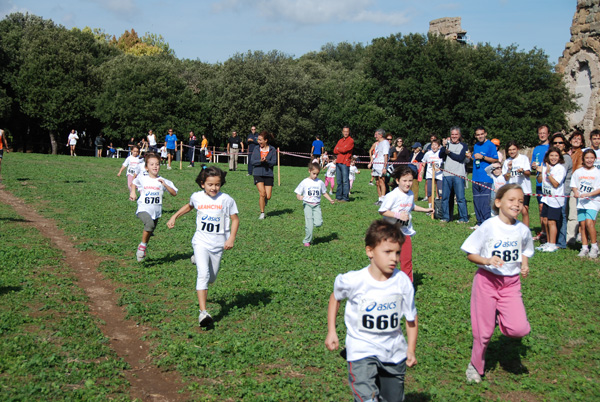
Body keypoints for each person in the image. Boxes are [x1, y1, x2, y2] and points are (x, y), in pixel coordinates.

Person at [325, 219, 418, 402]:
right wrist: (332, 331)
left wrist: (411, 349)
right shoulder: (353, 280)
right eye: (388, 252)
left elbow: (411, 319)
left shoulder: (403, 282)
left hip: (394, 351)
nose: (394, 258)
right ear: (370, 251)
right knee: (366, 396)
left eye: (397, 253)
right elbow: (335, 297)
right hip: (361, 349)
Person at [461, 184, 533, 383]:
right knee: (483, 334)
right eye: (512, 200)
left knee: (519, 329)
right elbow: (470, 252)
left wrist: (524, 265)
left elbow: (526, 249)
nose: (517, 204)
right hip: (487, 281)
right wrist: (487, 261)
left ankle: (496, 315)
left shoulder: (522, 230)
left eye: (520, 201)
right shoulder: (488, 226)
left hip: (511, 284)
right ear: (498, 202)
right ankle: (476, 366)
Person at [167, 166, 239, 327]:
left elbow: (235, 219)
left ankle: (195, 259)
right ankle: (203, 313)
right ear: (202, 184)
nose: (214, 188)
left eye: (217, 184)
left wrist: (231, 238)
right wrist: (174, 216)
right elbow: (189, 206)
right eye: (210, 184)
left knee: (212, 278)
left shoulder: (226, 200)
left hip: (218, 244)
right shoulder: (197, 197)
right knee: (203, 275)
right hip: (200, 241)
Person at [379, 166, 433, 282]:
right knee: (388, 261)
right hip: (390, 233)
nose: (408, 184)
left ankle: (407, 286)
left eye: (410, 180)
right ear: (397, 180)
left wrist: (425, 210)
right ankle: (383, 283)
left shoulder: (410, 194)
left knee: (407, 260)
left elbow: (411, 206)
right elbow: (382, 211)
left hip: (405, 232)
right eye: (404, 180)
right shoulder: (392, 195)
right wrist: (398, 216)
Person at [129, 153, 178, 262]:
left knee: (150, 230)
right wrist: (132, 192)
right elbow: (134, 183)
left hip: (156, 212)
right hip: (143, 209)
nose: (155, 166)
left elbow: (174, 193)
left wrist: (165, 185)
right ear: (146, 167)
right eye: (152, 164)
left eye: (157, 164)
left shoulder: (162, 180)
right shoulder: (143, 178)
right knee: (149, 225)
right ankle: (141, 248)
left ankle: (144, 245)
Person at [294, 162, 335, 247]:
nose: (315, 176)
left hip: (316, 205)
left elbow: (324, 193)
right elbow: (298, 193)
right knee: (309, 224)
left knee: (318, 223)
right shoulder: (305, 182)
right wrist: (300, 197)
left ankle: (313, 222)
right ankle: (307, 240)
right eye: (314, 173)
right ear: (309, 171)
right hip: (307, 205)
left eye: (317, 174)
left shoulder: (320, 182)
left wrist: (330, 200)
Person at [536, 147, 566, 253]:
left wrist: (548, 173)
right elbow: (539, 180)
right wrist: (540, 172)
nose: (553, 158)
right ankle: (548, 242)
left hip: (555, 199)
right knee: (546, 220)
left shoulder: (560, 168)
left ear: (559, 157)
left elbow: (556, 183)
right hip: (546, 198)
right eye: (551, 155)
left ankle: (553, 244)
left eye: (556, 156)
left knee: (552, 222)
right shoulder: (545, 166)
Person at [572, 149, 600, 259]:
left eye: (591, 158)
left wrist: (589, 194)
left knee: (589, 223)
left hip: (593, 202)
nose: (589, 160)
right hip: (581, 203)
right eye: (587, 158)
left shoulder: (597, 172)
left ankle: (594, 246)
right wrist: (576, 192)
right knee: (582, 225)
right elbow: (574, 185)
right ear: (583, 159)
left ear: (595, 159)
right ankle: (584, 248)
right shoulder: (578, 172)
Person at [470, 127, 499, 230]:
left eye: (481, 134)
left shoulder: (491, 145)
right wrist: (472, 157)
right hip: (475, 177)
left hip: (486, 178)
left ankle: (486, 223)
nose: (480, 136)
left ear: (485, 134)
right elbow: (475, 158)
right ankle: (479, 222)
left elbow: (495, 159)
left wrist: (482, 157)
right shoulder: (476, 145)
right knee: (477, 201)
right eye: (477, 135)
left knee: (484, 202)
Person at [441, 127, 469, 223]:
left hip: (458, 174)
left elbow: (460, 158)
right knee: (445, 197)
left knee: (460, 198)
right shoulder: (447, 145)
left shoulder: (464, 146)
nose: (454, 136)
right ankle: (446, 217)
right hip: (446, 174)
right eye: (452, 134)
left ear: (459, 135)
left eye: (456, 134)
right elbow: (441, 155)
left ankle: (463, 218)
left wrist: (449, 153)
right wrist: (444, 148)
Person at [550, 133, 572, 249]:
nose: (558, 145)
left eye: (560, 142)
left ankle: (561, 242)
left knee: (562, 216)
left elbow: (558, 177)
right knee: (556, 216)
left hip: (564, 191)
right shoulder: (556, 157)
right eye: (555, 143)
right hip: (555, 191)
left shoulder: (566, 158)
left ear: (564, 144)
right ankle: (555, 239)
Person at [502, 141, 531, 227]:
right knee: (514, 212)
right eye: (510, 150)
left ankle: (526, 231)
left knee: (524, 211)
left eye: (514, 149)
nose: (512, 152)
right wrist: (509, 169)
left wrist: (523, 171)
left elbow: (528, 173)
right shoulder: (507, 161)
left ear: (517, 149)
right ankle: (515, 230)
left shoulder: (524, 158)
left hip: (524, 189)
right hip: (512, 191)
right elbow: (506, 178)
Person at [530, 125, 550, 241]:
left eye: (544, 133)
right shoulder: (536, 149)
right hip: (539, 183)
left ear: (548, 134)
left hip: (549, 183)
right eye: (540, 133)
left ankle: (550, 233)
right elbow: (533, 164)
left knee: (549, 209)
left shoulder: (551, 147)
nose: (542, 135)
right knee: (541, 208)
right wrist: (533, 166)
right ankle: (543, 232)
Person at [251, 131, 277, 220]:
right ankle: (262, 213)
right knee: (262, 193)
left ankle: (264, 200)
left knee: (268, 196)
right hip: (258, 173)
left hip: (268, 174)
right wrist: (260, 161)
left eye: (260, 140)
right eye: (258, 140)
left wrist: (267, 161)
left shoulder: (272, 149)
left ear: (266, 140)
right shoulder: (256, 149)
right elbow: (252, 161)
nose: (258, 141)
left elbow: (274, 162)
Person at [567, 131, 586, 245]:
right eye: (574, 138)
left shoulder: (580, 154)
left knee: (572, 214)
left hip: (573, 186)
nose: (576, 140)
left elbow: (576, 171)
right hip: (564, 186)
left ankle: (571, 239)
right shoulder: (568, 153)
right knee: (565, 212)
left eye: (579, 139)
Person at [368, 129, 389, 205]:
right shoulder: (378, 143)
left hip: (381, 165)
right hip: (376, 165)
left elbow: (385, 155)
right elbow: (375, 154)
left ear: (381, 135)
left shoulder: (385, 143)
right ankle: (379, 198)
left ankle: (383, 199)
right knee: (377, 182)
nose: (375, 136)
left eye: (376, 134)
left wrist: (384, 167)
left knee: (382, 181)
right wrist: (371, 163)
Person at [333, 126, 354, 203]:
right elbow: (335, 150)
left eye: (347, 131)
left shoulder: (351, 141)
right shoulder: (340, 140)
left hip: (345, 162)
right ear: (342, 132)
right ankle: (338, 197)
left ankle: (345, 198)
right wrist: (340, 149)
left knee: (345, 181)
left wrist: (339, 148)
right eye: (344, 131)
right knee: (339, 181)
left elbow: (345, 149)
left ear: (349, 132)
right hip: (338, 162)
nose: (345, 133)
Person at [420, 138, 444, 204]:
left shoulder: (441, 153)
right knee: (429, 191)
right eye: (432, 145)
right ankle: (430, 207)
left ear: (439, 146)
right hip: (430, 174)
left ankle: (440, 207)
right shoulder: (428, 153)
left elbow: (444, 163)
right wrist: (422, 171)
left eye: (435, 145)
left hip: (439, 175)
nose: (434, 147)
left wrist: (439, 168)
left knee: (440, 191)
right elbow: (423, 162)